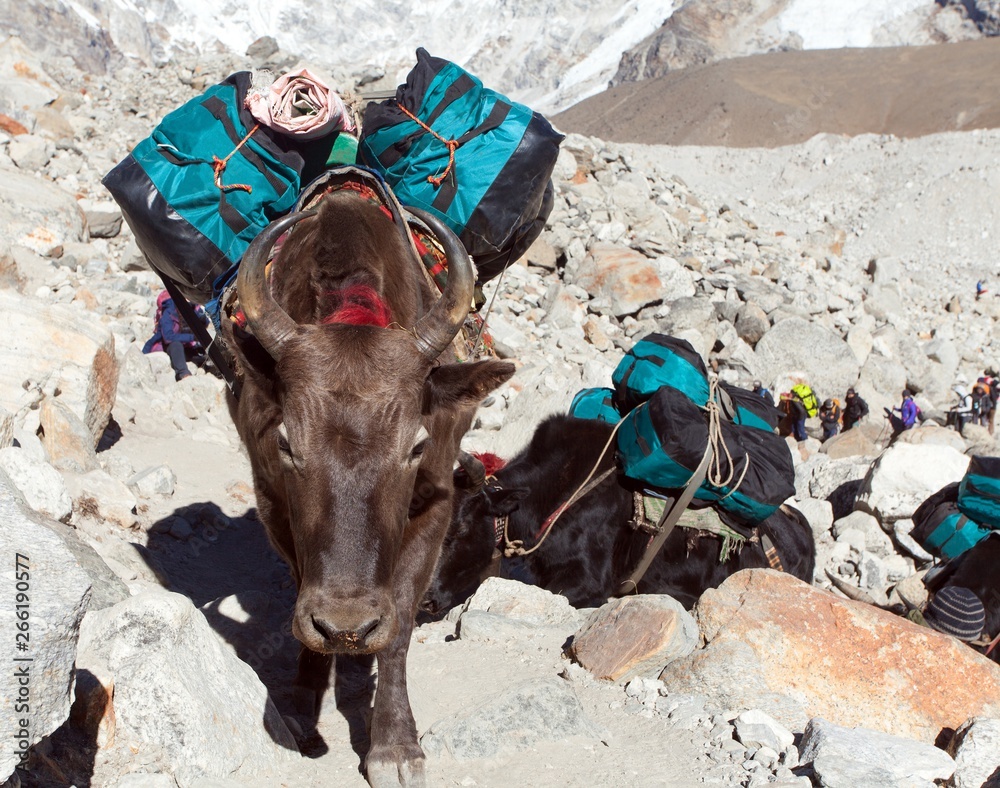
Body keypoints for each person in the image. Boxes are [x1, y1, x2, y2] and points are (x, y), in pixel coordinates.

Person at [142, 290, 210, 381]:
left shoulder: (194, 309)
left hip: (187, 346)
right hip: (166, 347)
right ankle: (183, 373)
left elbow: (205, 324)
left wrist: (202, 319)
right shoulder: (168, 312)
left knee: (205, 349)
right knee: (176, 345)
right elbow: (168, 337)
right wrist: (192, 338)